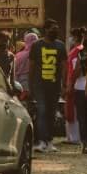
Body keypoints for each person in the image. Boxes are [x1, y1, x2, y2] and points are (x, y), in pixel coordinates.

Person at [29, 21, 66, 153]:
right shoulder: (36, 45)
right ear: (46, 30)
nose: (55, 31)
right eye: (52, 28)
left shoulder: (61, 46)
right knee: (42, 111)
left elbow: (63, 67)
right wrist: (30, 86)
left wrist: (64, 85)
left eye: (56, 28)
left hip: (54, 85)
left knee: (51, 114)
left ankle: (49, 141)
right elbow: (31, 67)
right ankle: (40, 141)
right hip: (40, 85)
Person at [64, 27, 86, 144]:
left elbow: (75, 69)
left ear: (76, 37)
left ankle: (75, 137)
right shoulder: (79, 50)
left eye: (71, 36)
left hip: (76, 84)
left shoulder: (76, 51)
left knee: (75, 112)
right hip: (76, 84)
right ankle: (74, 137)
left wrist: (70, 84)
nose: (70, 39)